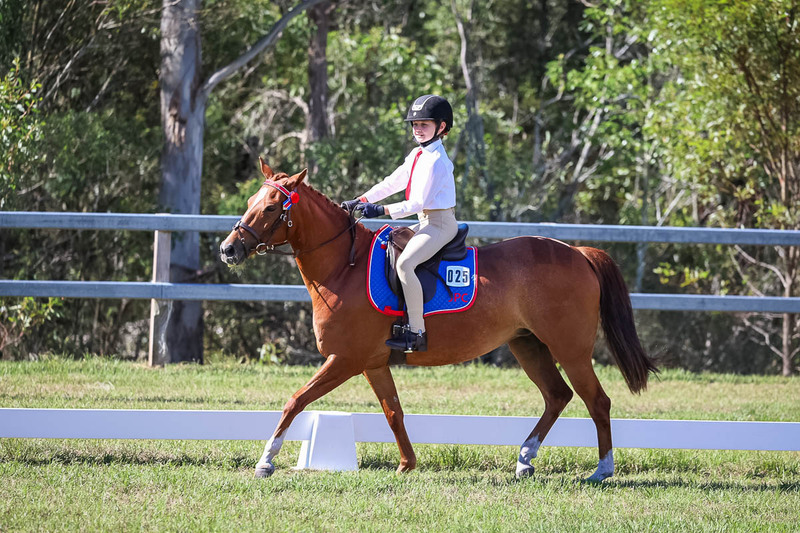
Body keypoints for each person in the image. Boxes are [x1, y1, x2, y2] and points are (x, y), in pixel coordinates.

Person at [343, 94, 458, 352]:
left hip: (439, 224)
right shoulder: (417, 154)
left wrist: (380, 210)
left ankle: (417, 332)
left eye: (424, 124)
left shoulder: (437, 161)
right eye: (415, 125)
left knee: (406, 264)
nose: (417, 129)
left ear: (441, 127)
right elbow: (392, 182)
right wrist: (360, 199)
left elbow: (417, 203)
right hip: (425, 222)